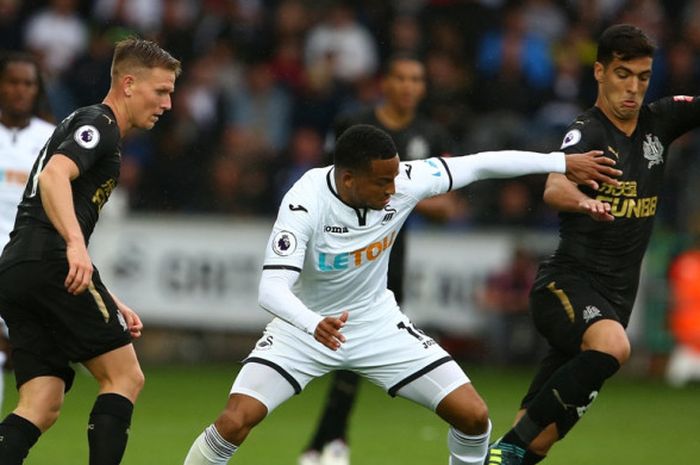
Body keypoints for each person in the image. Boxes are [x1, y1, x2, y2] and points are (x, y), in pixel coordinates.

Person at [183, 123, 620, 465]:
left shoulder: (404, 179)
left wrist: (559, 162)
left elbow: (480, 164)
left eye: (395, 177)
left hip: (376, 324)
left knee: (473, 416)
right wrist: (312, 323)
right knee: (234, 422)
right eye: (382, 182)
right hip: (305, 327)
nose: (394, 189)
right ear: (348, 178)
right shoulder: (304, 202)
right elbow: (271, 288)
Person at [486, 24, 700, 465]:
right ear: (600, 72)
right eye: (623, 74)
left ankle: (506, 453)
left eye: (643, 76)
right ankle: (504, 448)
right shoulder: (588, 132)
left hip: (616, 301)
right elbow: (553, 186)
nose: (634, 87)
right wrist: (586, 202)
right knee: (614, 347)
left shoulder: (660, 122)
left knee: (538, 441)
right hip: (566, 286)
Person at [0, 38, 180, 465]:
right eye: (161, 91)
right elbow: (53, 177)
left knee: (41, 401)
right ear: (130, 84)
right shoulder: (99, 123)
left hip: (18, 268)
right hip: (49, 260)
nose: (168, 104)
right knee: (125, 377)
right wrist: (76, 247)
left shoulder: (92, 127)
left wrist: (108, 294)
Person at [299, 52, 460, 465]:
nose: (408, 87)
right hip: (340, 249)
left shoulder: (430, 134)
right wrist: (401, 193)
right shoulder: (353, 123)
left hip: (390, 255)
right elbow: (327, 184)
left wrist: (397, 197)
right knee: (333, 341)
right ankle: (328, 442)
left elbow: (447, 207)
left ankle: (327, 442)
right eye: (401, 78)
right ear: (385, 83)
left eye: (416, 79)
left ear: (423, 88)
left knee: (356, 341)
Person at [0, 51, 56, 417]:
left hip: (23, 262)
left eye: (28, 83)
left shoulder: (51, 139)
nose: (20, 90)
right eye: (13, 82)